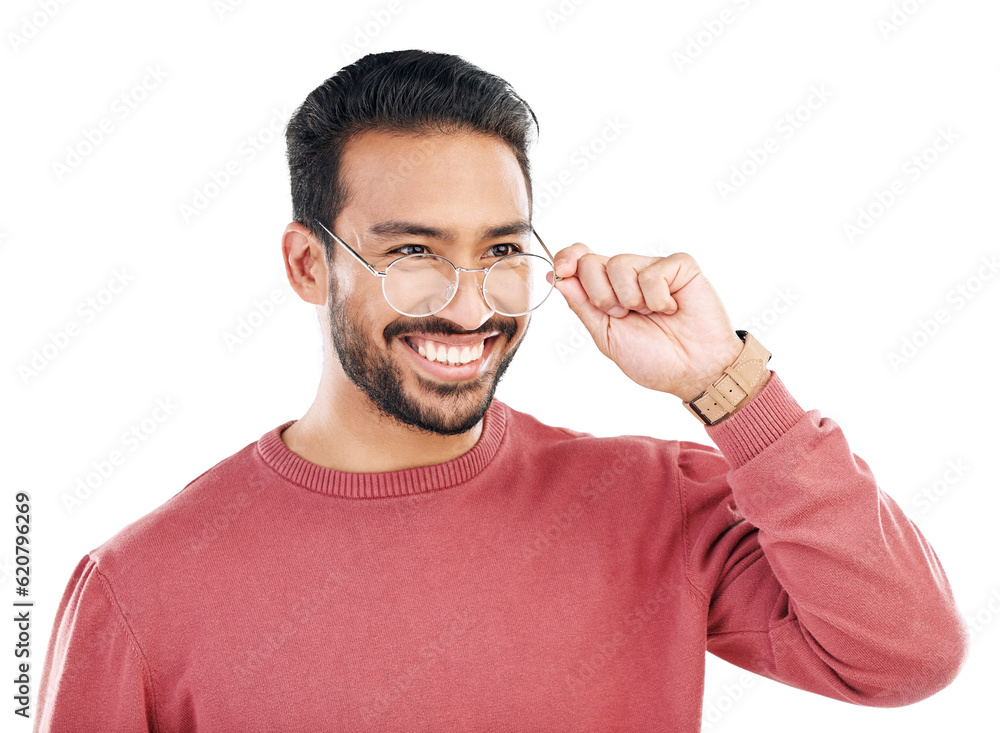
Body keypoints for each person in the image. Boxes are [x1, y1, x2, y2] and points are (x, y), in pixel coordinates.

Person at [34, 49, 967, 732]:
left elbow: (906, 656)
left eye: (501, 250)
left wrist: (729, 385)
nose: (469, 304)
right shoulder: (139, 588)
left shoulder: (652, 502)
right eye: (411, 252)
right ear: (307, 262)